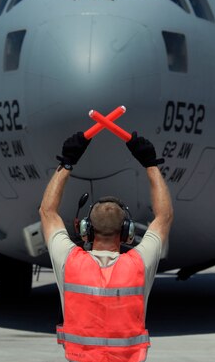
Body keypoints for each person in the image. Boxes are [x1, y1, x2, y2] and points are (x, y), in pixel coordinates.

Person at [39, 131, 173, 362]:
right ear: (127, 233)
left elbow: (47, 212)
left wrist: (67, 163)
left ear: (86, 230)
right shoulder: (139, 265)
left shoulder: (70, 262)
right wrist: (151, 164)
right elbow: (164, 216)